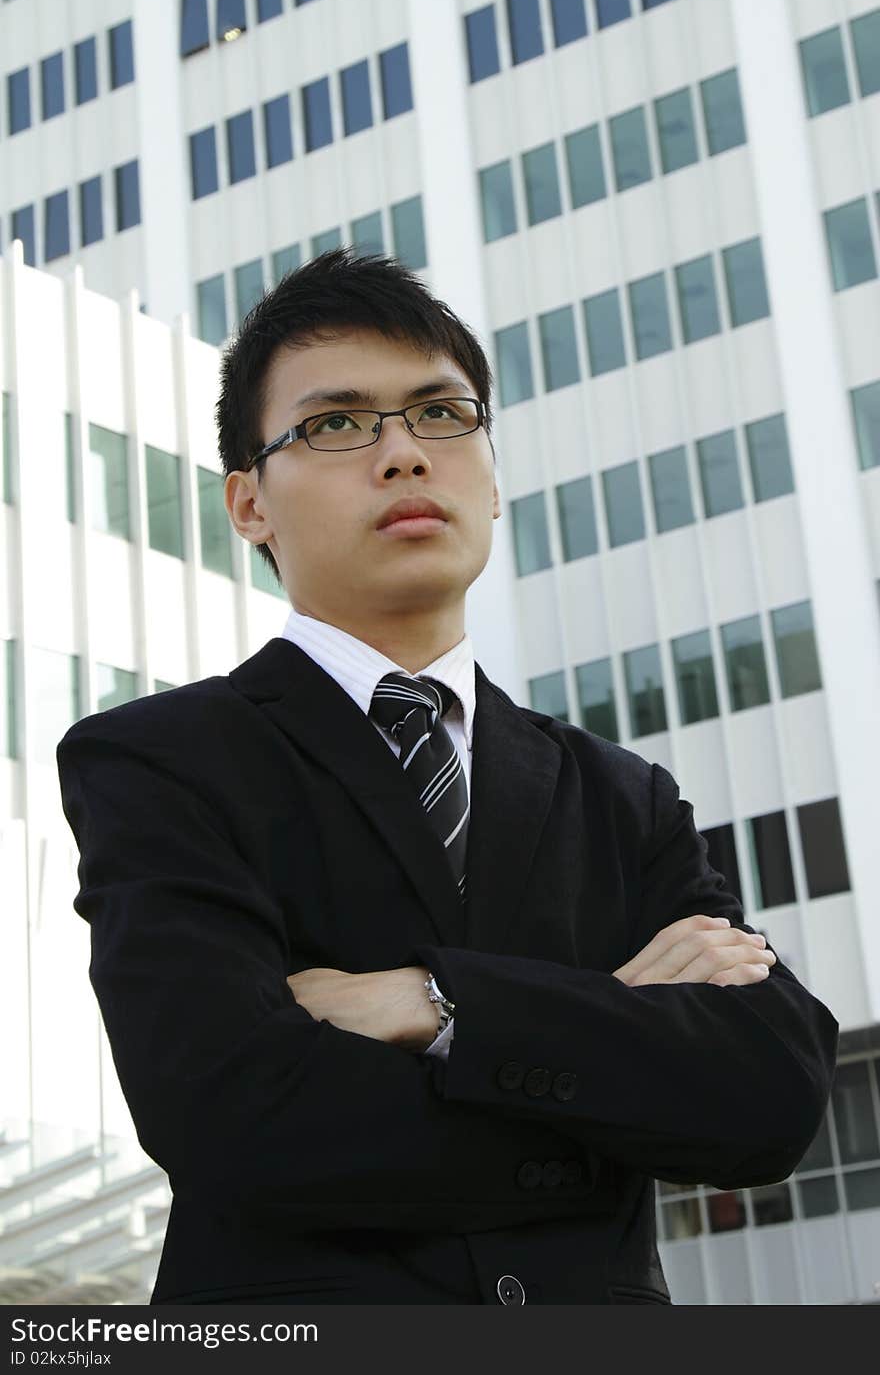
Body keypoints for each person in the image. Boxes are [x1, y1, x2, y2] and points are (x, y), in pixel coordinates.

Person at [56, 248, 838, 1306]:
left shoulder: (620, 794)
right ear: (248, 503)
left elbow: (771, 1098)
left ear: (490, 468)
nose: (401, 455)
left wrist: (435, 1005)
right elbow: (231, 1116)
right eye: (335, 424)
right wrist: (609, 1051)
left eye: (441, 414)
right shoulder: (160, 759)